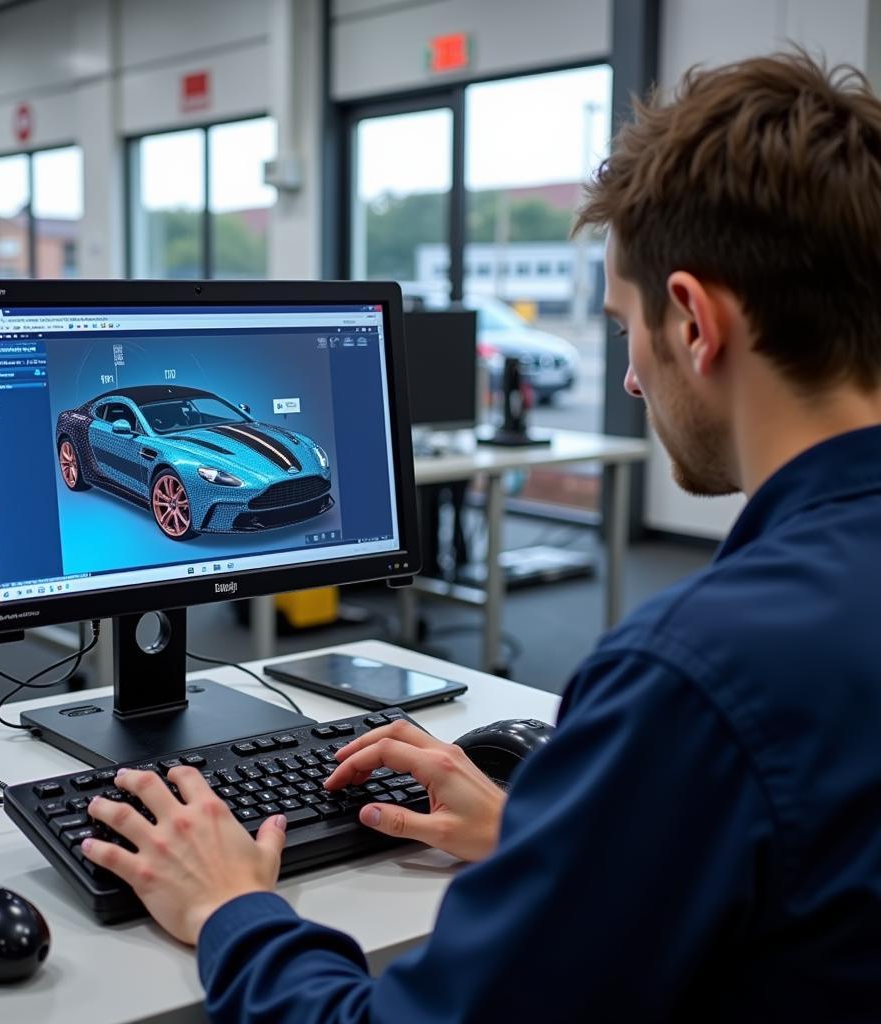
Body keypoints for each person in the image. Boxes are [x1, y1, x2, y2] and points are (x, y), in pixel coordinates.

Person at [82, 51, 881, 1020]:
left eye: (624, 325)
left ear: (694, 322)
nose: (631, 378)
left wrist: (232, 906)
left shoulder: (694, 679)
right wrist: (552, 842)